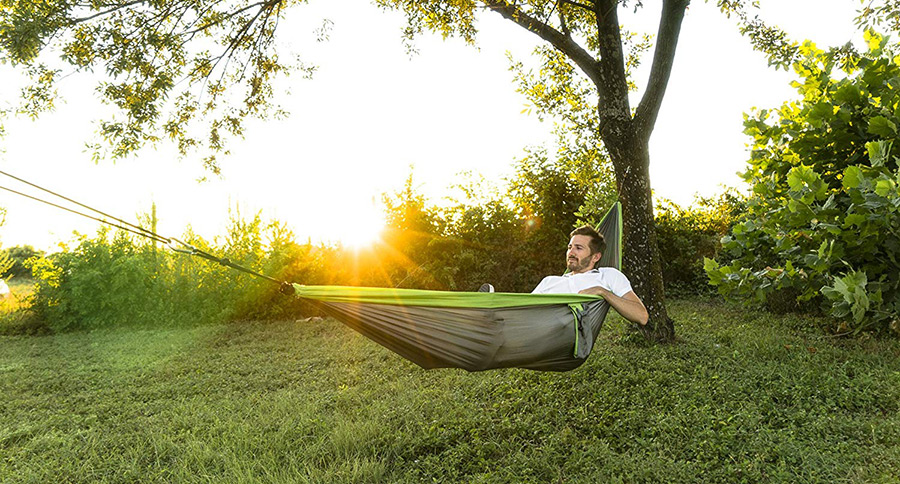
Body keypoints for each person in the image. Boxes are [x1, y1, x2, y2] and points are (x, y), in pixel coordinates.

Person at [532, 226, 649, 326]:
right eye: (569, 247)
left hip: (563, 339)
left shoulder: (606, 276)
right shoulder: (549, 281)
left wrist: (602, 292)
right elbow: (523, 311)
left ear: (596, 257)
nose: (571, 253)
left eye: (578, 248)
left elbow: (641, 316)